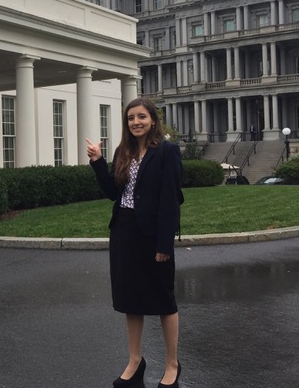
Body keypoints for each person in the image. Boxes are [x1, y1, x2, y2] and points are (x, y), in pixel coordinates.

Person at [86, 97, 184, 388]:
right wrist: (97, 162)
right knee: (131, 300)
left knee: (164, 300)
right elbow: (112, 192)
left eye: (141, 116)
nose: (136, 122)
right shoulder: (123, 150)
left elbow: (170, 200)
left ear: (153, 120)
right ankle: (135, 361)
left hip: (153, 234)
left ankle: (172, 364)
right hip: (124, 232)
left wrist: (165, 244)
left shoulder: (167, 151)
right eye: (131, 118)